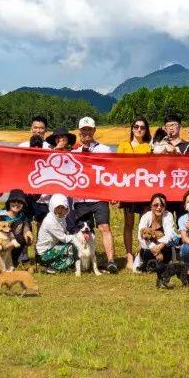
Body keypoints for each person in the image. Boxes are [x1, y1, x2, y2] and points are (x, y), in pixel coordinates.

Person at [70, 117, 119, 273]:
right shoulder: (73, 152)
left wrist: (113, 193)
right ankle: (81, 260)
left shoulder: (105, 149)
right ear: (79, 132)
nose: (87, 132)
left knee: (104, 227)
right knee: (82, 230)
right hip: (80, 197)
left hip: (99, 196)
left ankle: (111, 261)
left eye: (89, 129)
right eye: (84, 129)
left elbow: (112, 172)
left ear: (94, 130)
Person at [117, 116, 153, 271]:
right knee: (128, 224)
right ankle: (129, 255)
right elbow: (117, 168)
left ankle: (141, 253)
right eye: (136, 127)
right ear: (132, 128)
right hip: (128, 189)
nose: (139, 129)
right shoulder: (123, 145)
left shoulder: (149, 146)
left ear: (146, 131)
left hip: (145, 190)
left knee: (143, 224)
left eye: (142, 127)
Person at [0, 189, 34, 265]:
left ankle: (20, 258)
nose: (16, 204)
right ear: (9, 202)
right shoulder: (0, 216)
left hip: (12, 251)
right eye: (13, 201)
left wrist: (28, 235)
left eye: (20, 202)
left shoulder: (23, 216)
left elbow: (27, 234)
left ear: (23, 204)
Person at [36, 194, 80, 273]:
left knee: (72, 247)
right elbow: (64, 238)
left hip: (52, 248)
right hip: (43, 254)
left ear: (67, 208)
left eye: (62, 207)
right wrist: (79, 237)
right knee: (71, 246)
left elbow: (66, 232)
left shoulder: (62, 218)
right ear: (52, 207)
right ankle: (46, 266)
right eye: (57, 207)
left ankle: (51, 266)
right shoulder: (50, 221)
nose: (60, 210)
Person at [135, 193, 178, 270]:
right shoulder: (145, 217)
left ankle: (158, 265)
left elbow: (169, 234)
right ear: (151, 206)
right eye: (156, 205)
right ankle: (148, 265)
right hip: (148, 248)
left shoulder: (168, 215)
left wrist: (159, 247)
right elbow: (140, 236)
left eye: (162, 205)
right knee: (146, 252)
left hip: (163, 247)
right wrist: (153, 247)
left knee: (167, 250)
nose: (159, 207)